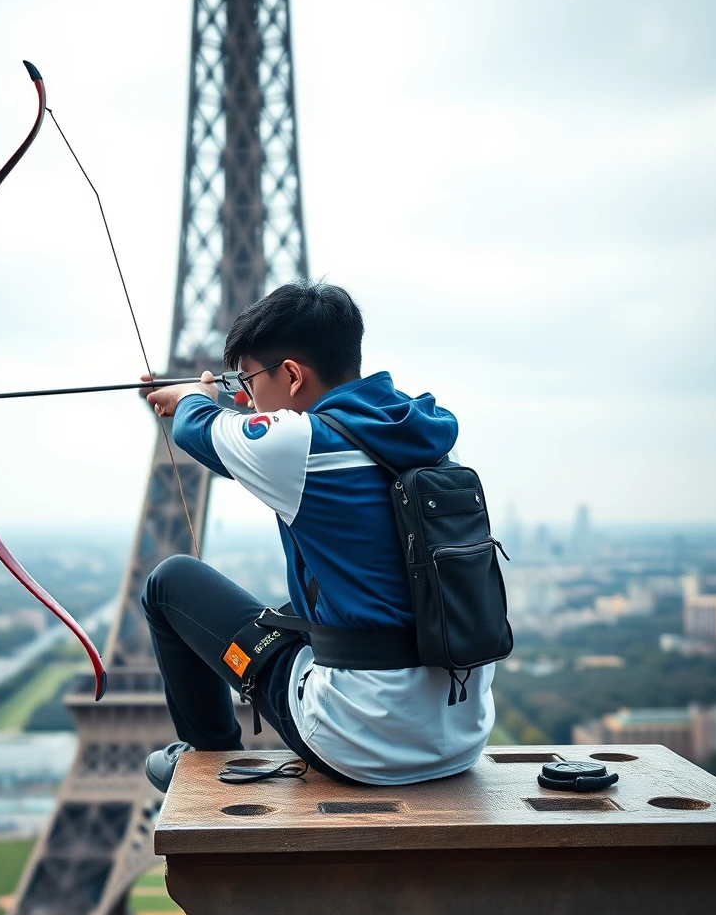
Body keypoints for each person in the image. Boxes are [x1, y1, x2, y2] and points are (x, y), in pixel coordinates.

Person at [141, 281, 495, 793]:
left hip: (360, 738)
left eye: (248, 380)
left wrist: (197, 398)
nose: (245, 397)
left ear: (290, 375)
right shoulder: (428, 440)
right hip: (460, 733)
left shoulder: (297, 443)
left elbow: (199, 428)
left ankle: (209, 758)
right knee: (294, 607)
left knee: (171, 582)